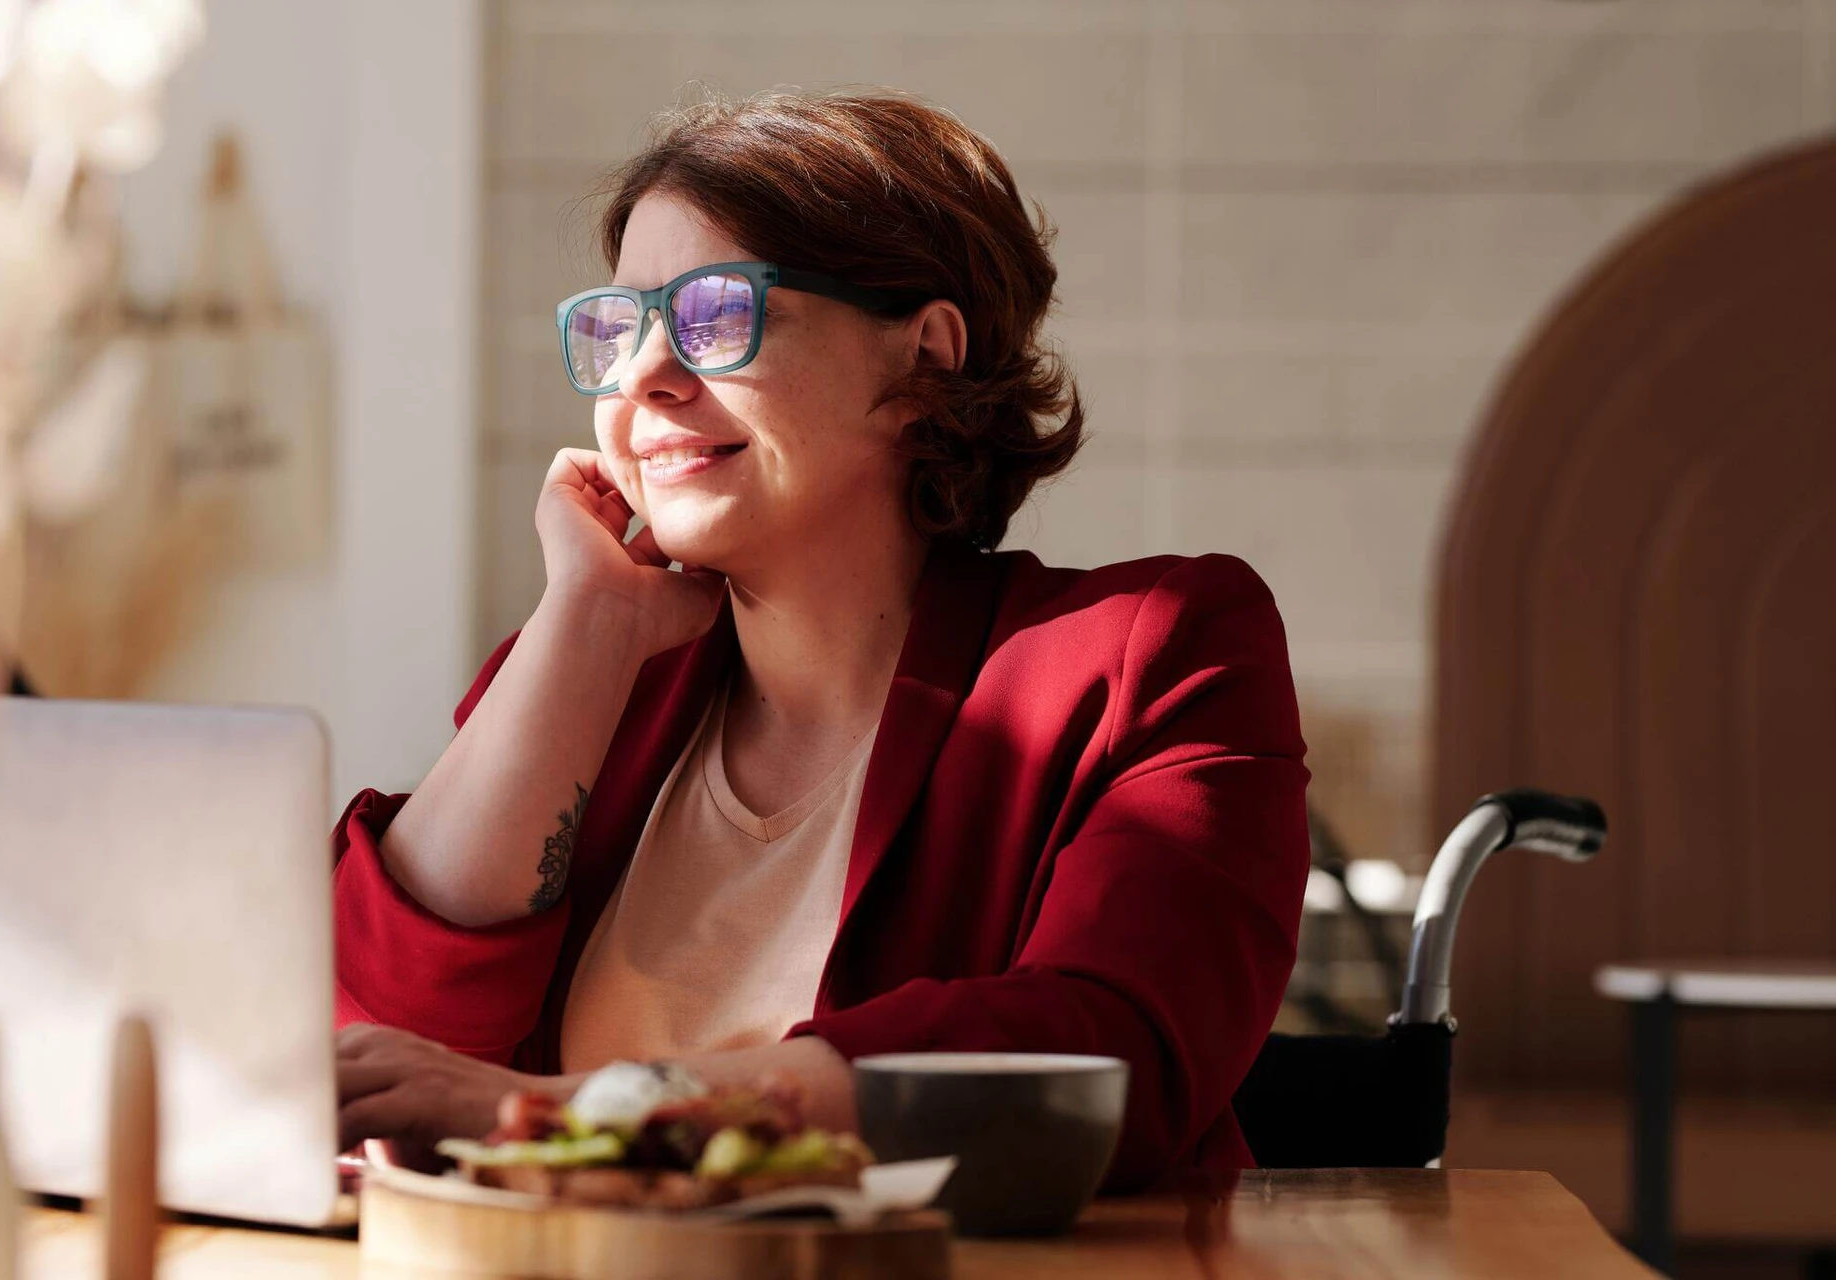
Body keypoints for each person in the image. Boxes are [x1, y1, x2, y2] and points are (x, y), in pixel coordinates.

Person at [333, 90, 1309, 1189]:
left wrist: (596, 1110)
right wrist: (585, 621)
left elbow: (1105, 1056)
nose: (644, 375)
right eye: (617, 327)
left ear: (924, 364)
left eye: (713, 315)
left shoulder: (1157, 650)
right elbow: (378, 1056)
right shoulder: (583, 675)